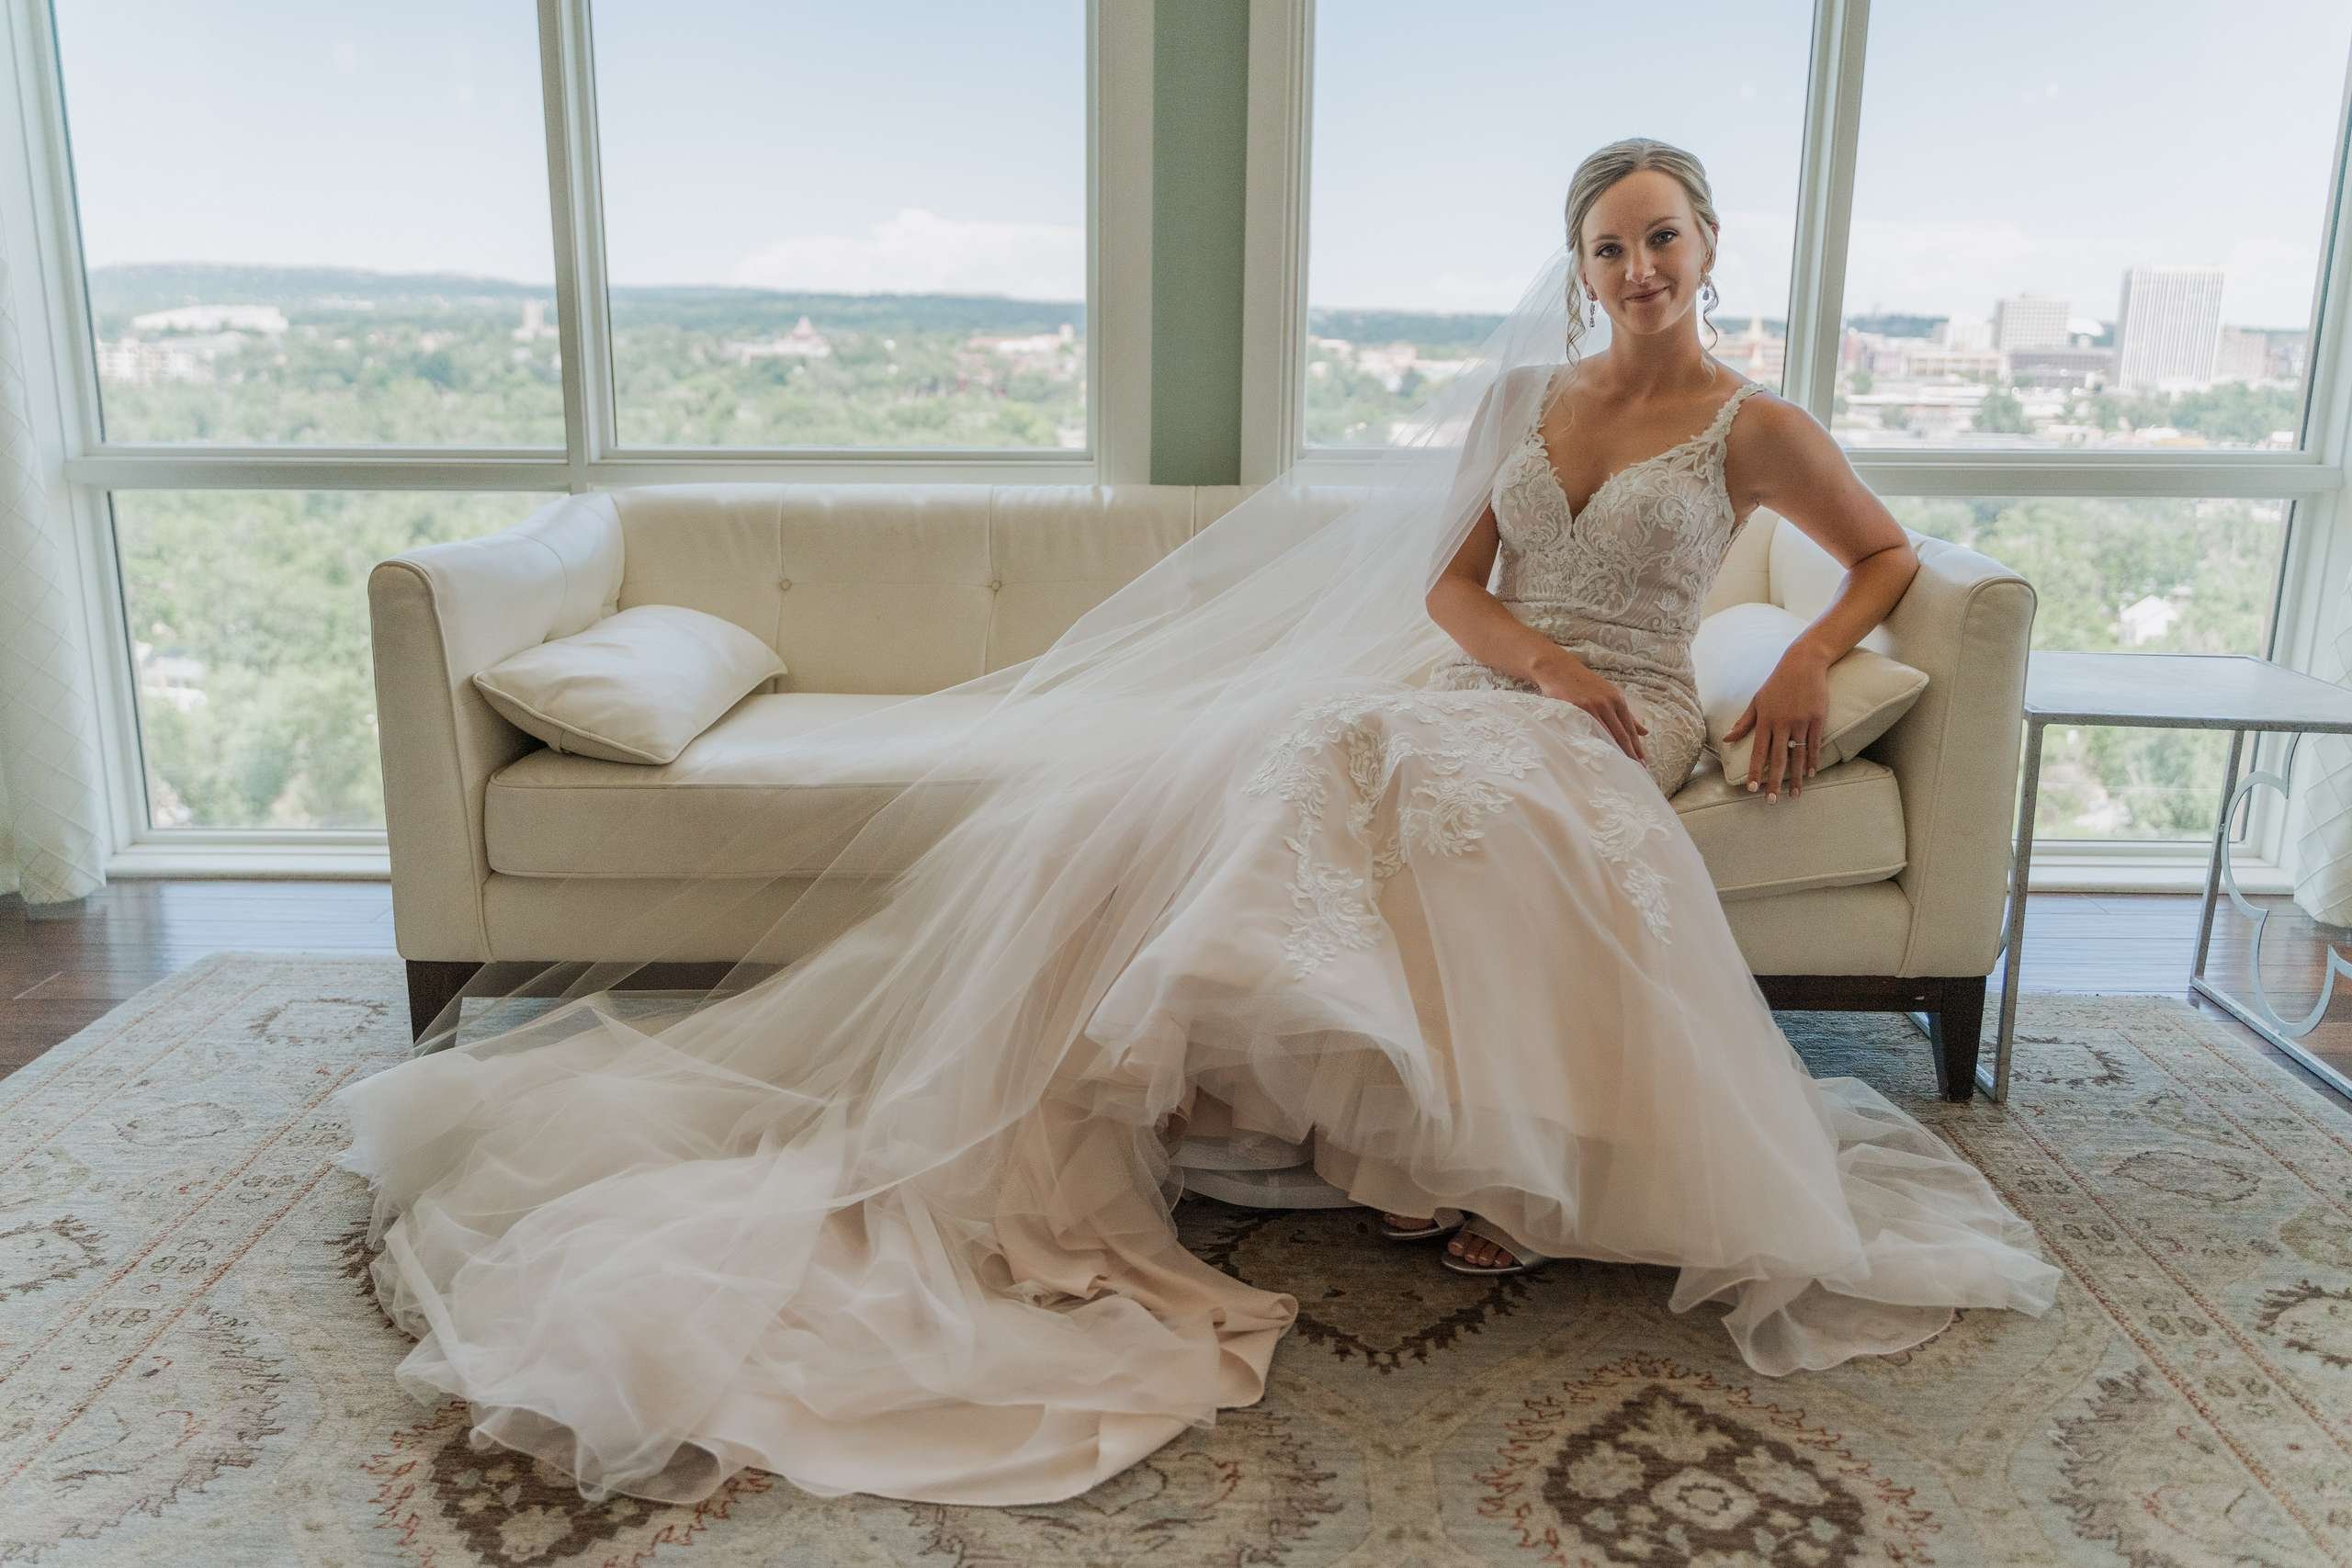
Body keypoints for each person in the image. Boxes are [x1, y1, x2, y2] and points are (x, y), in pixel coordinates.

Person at [330, 138, 2061, 1511]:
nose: (1638, 269)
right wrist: (1529, 659)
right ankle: (1286, 1093)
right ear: (1581, 267)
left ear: (1708, 246)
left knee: (1462, 793)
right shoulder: (1523, 403)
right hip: (1497, 675)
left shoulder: (1756, 425)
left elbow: (1887, 557)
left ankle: (1510, 1161)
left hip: (1629, 715)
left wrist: (1800, 660)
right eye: (1610, 247)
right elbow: (1450, 587)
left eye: (1662, 238)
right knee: (1319, 745)